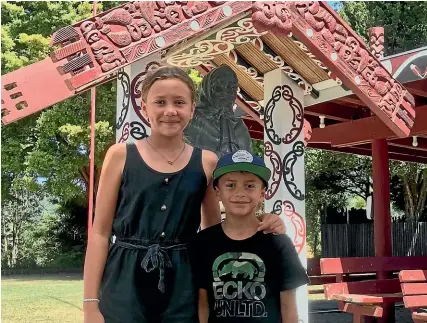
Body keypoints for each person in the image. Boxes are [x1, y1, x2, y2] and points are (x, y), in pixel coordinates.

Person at [82, 66, 286, 323]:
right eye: (160, 102)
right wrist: (90, 304)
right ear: (145, 108)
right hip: (124, 279)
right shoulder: (120, 156)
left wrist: (264, 223)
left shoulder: (207, 162)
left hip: (184, 281)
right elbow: (100, 233)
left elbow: (216, 233)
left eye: (179, 102)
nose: (170, 111)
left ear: (192, 109)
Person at [192, 150, 310, 323]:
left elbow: (288, 306)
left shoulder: (278, 242)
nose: (240, 193)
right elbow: (202, 304)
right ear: (217, 192)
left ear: (262, 193)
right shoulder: (203, 242)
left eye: (249, 186)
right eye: (230, 185)